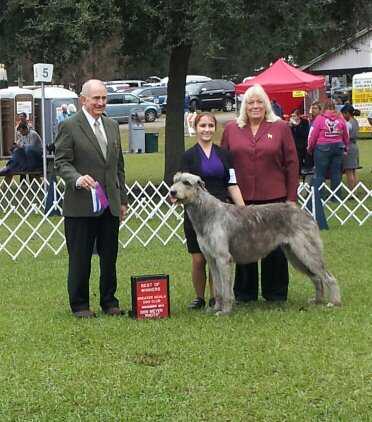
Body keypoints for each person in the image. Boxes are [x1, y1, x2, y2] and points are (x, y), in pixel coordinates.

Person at [54, 79, 128, 319]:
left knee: (110, 258)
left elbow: (118, 166)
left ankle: (110, 301)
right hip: (80, 206)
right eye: (96, 98)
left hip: (110, 206)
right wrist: (76, 178)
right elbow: (61, 162)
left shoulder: (112, 125)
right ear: (83, 100)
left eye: (104, 98)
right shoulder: (69, 126)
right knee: (80, 258)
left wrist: (123, 200)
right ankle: (80, 304)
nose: (101, 102)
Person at [221, 84, 299, 303]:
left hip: (274, 198)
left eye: (259, 102)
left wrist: (291, 198)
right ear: (244, 106)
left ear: (266, 105)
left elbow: (292, 164)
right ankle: (245, 294)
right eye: (250, 102)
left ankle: (275, 293)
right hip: (241, 199)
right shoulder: (231, 129)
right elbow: (224, 164)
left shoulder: (281, 127)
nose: (255, 106)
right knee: (243, 247)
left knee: (275, 248)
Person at [180, 112, 245, 309]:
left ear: (214, 129)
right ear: (196, 128)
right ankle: (199, 297)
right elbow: (182, 188)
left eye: (210, 126)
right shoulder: (188, 156)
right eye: (203, 126)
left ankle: (217, 297)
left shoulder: (224, 154)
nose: (206, 130)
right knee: (199, 259)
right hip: (196, 215)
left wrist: (243, 209)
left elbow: (232, 183)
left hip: (223, 213)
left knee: (218, 257)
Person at [307, 101, 349, 201]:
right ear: (335, 108)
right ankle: (336, 197)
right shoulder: (340, 119)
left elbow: (312, 135)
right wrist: (346, 147)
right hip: (338, 147)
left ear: (323, 108)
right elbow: (346, 134)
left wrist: (310, 148)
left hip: (322, 148)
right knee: (336, 174)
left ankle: (319, 197)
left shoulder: (320, 119)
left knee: (320, 173)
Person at [341, 104, 360, 191]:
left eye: (343, 114)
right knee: (354, 170)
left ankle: (351, 191)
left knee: (349, 171)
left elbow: (343, 135)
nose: (342, 116)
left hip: (348, 147)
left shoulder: (348, 124)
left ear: (347, 113)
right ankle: (354, 191)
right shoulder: (355, 121)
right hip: (355, 146)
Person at [288, 109, 310, 174]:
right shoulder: (291, 124)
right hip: (294, 146)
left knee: (304, 161)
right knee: (297, 161)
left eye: (294, 116)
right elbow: (290, 135)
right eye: (292, 116)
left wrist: (296, 126)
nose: (293, 118)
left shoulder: (305, 122)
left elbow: (305, 134)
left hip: (304, 145)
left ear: (298, 116)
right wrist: (291, 127)